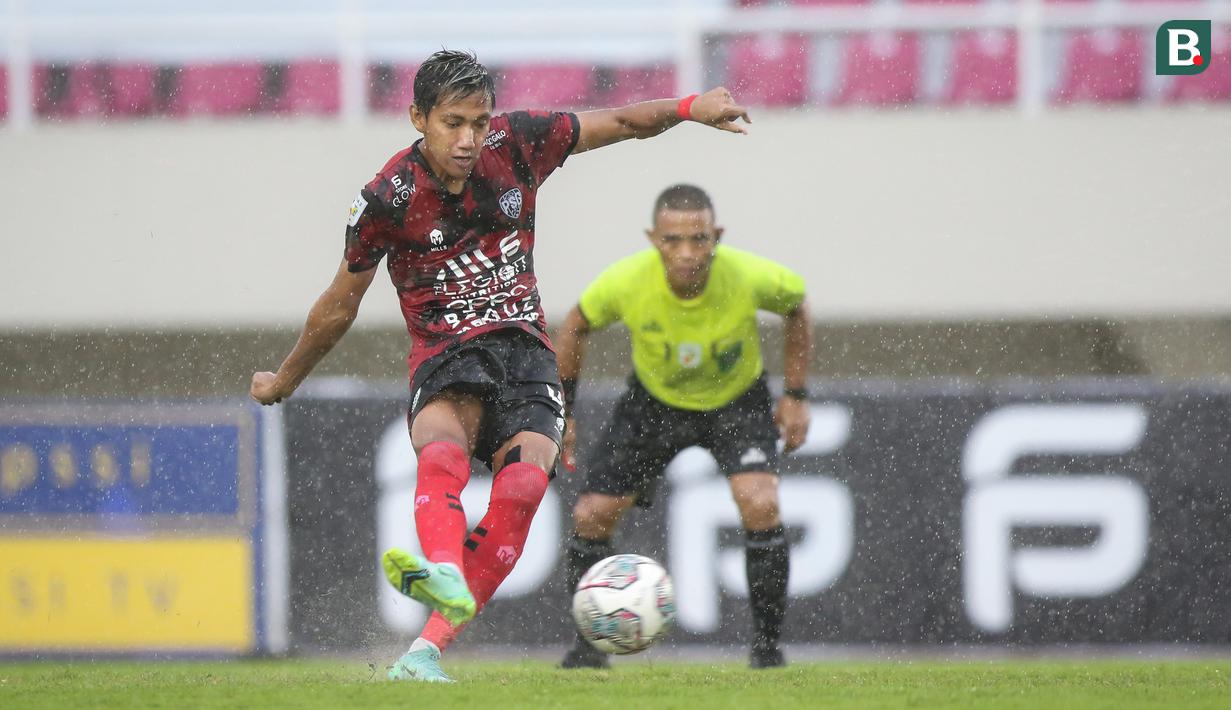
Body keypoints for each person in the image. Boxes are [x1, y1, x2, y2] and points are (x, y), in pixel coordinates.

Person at [249, 50, 751, 683]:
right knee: (442, 454)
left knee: (522, 488)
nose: (468, 140)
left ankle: (425, 651)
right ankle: (443, 569)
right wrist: (285, 379)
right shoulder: (387, 198)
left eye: (478, 122)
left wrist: (687, 110)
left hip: (523, 350)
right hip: (446, 351)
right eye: (453, 123)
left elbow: (617, 123)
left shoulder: (518, 143)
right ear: (417, 118)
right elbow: (338, 305)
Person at [556, 183, 811, 670]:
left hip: (736, 401)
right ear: (654, 239)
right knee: (591, 513)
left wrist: (795, 395)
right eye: (673, 240)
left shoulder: (750, 275)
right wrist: (564, 409)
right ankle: (589, 649)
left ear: (718, 235)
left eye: (699, 239)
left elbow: (796, 306)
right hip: (655, 403)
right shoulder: (627, 281)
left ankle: (766, 653)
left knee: (761, 502)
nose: (688, 253)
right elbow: (575, 323)